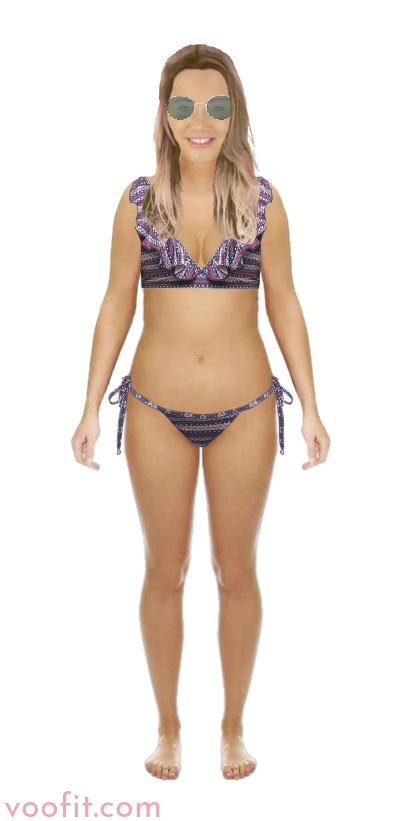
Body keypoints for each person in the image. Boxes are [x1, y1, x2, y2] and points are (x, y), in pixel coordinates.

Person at [71, 44, 330, 781]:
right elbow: (116, 303)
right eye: (183, 105)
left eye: (216, 105)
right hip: (155, 408)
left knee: (236, 569)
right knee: (165, 569)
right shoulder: (137, 203)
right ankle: (167, 726)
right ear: (164, 115)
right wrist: (89, 406)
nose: (199, 120)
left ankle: (234, 727)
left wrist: (311, 406)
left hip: (246, 408)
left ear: (234, 113)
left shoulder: (263, 202)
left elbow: (284, 303)